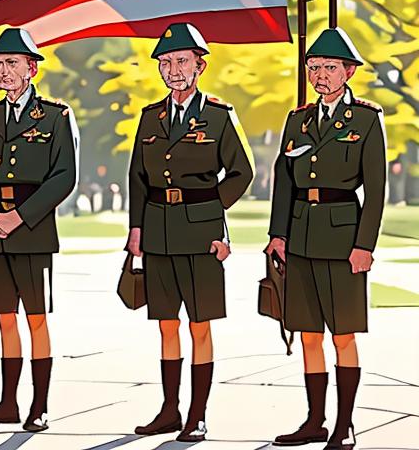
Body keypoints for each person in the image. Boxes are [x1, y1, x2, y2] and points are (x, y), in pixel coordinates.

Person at [126, 23, 253, 442]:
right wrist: (136, 229)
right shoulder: (150, 117)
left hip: (201, 235)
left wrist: (213, 217)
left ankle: (196, 414)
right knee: (165, 323)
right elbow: (138, 179)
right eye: (166, 62)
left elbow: (241, 172)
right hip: (158, 232)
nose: (173, 69)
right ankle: (169, 409)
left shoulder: (218, 116)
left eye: (181, 61)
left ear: (199, 66)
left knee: (200, 324)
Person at [267, 28, 386, 450]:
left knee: (343, 334)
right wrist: (277, 235)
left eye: (329, 68)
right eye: (313, 68)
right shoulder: (296, 120)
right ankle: (315, 420)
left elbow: (376, 189)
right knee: (308, 333)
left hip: (343, 238)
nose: (320, 76)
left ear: (348, 72)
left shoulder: (367, 120)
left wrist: (364, 246)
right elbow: (284, 182)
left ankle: (345, 424)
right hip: (300, 236)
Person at [0, 28, 79, 432]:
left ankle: (38, 405)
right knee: (4, 317)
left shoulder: (57, 116)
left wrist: (18, 217)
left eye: (11, 63)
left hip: (32, 229)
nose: (3, 71)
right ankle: (8, 402)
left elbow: (64, 177)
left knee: (36, 318)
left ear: (31, 68)